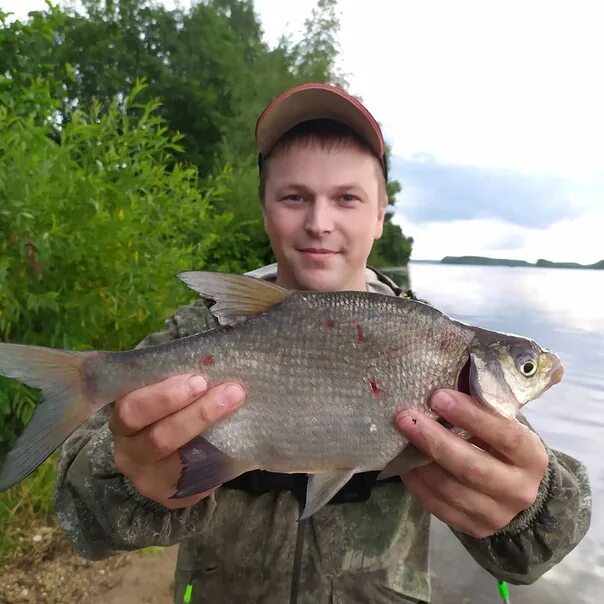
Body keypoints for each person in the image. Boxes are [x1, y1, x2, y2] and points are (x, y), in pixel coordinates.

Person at [55, 83, 591, 604]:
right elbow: (79, 514)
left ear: (381, 214)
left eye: (346, 198)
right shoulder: (203, 330)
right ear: (265, 209)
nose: (318, 223)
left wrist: (529, 507)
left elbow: (535, 553)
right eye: (294, 197)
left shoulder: (432, 344)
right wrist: (129, 479)